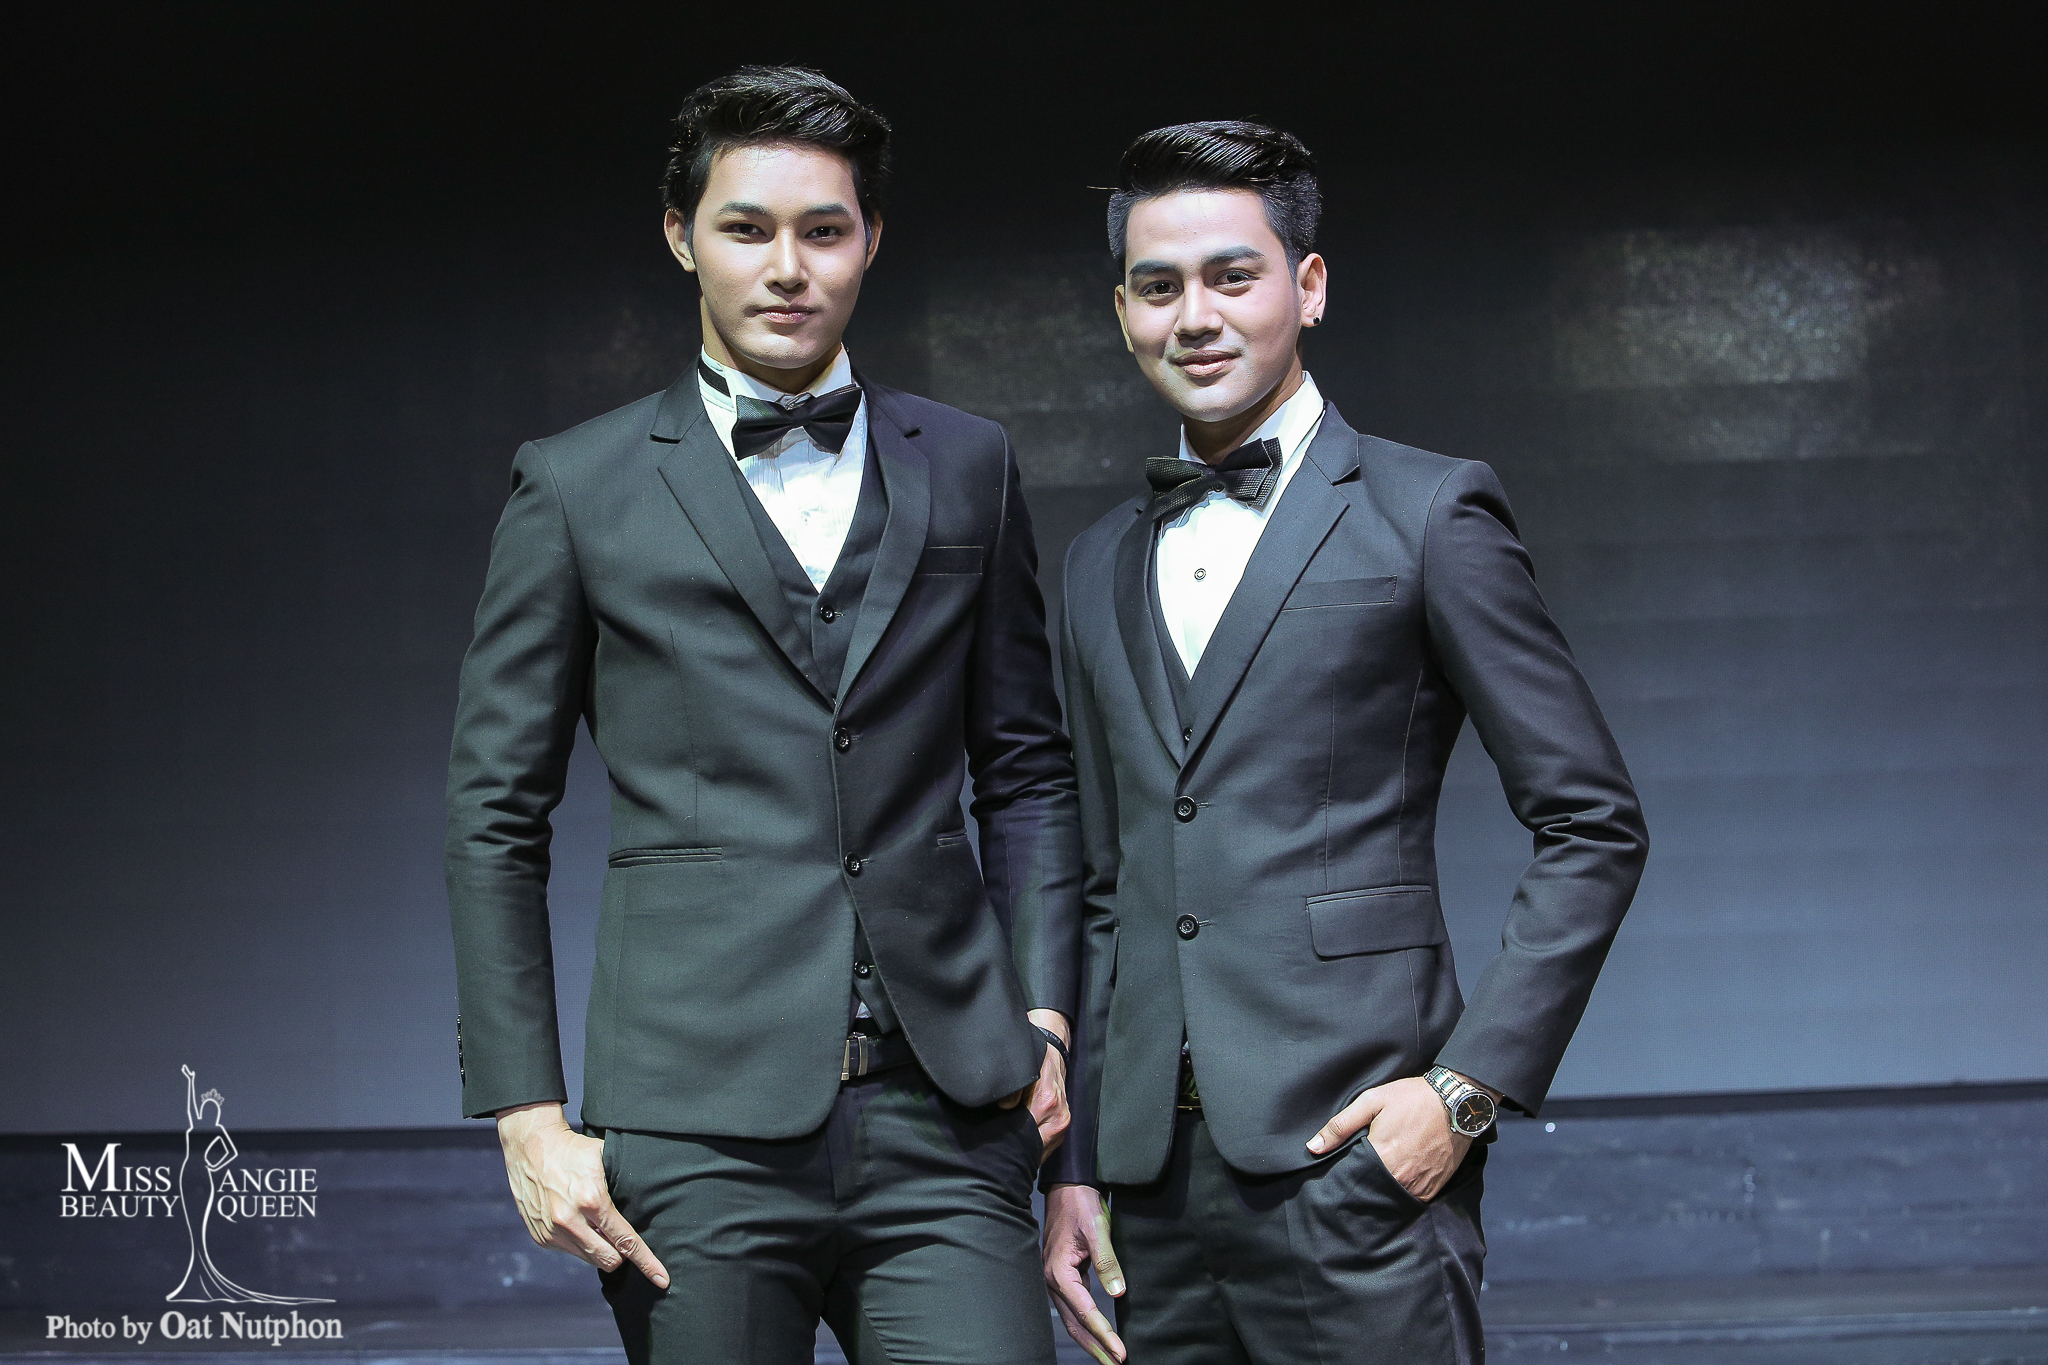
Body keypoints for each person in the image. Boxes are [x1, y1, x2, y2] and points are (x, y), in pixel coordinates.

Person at [445, 66, 1079, 1365]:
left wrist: (1045, 1014)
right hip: (691, 1125)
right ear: (681, 237)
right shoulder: (576, 485)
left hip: (949, 1112)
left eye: (823, 229)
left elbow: (1027, 770)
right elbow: (494, 812)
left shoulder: (970, 462)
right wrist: (526, 1112)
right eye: (746, 228)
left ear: (870, 240)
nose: (787, 267)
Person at [1041, 121, 1648, 1365]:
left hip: (1354, 1164)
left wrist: (1461, 1095)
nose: (1194, 317)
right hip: (1147, 1196)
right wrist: (1079, 1165)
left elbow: (1591, 823)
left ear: (1306, 286)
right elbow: (1110, 887)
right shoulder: (1095, 562)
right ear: (1121, 312)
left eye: (1232, 276)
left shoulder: (1427, 511)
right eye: (1158, 287)